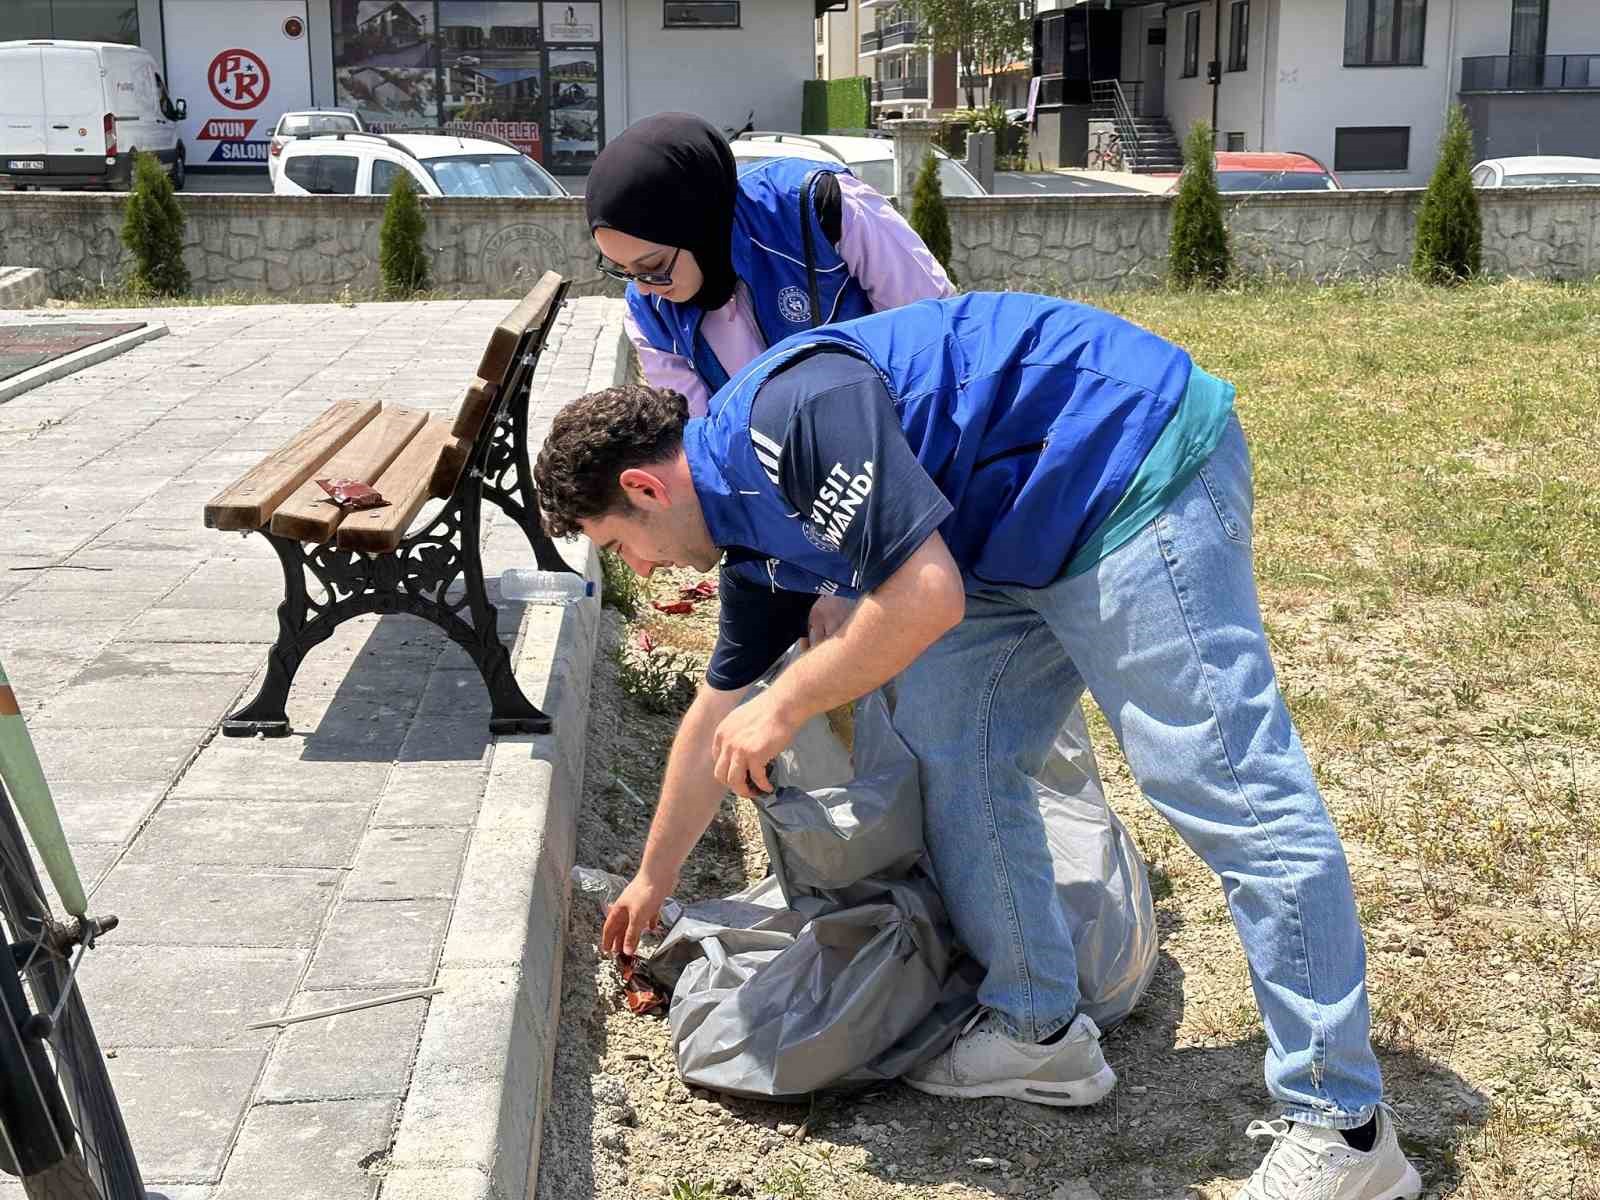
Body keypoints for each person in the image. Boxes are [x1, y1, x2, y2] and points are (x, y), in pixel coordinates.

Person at [533, 291, 1422, 1200]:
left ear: (646, 488)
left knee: (1232, 792)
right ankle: (1039, 1033)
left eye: (620, 546)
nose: (639, 573)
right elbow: (715, 714)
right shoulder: (746, 531)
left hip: (1123, 467)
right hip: (1005, 537)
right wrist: (654, 880)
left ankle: (1344, 1128)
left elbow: (923, 601)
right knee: (951, 747)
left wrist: (791, 700)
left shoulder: (787, 421)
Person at [585, 110, 1109, 811]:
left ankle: (1054, 823)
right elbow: (701, 449)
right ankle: (908, 844)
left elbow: (941, 342)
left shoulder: (822, 211)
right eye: (620, 271)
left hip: (931, 476)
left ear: (701, 216)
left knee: (971, 668)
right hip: (808, 508)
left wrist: (859, 578)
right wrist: (806, 571)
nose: (643, 287)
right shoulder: (650, 313)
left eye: (651, 266)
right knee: (854, 682)